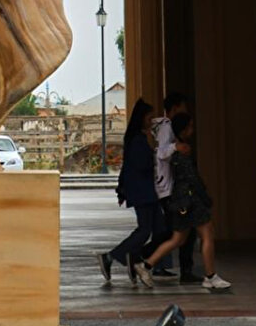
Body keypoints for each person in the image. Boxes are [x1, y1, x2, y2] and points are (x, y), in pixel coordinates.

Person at [136, 113, 232, 290]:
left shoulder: (174, 149)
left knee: (178, 239)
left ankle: (146, 265)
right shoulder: (182, 150)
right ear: (183, 130)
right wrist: (204, 196)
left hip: (179, 200)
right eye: (190, 127)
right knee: (208, 234)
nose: (192, 130)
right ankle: (211, 276)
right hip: (190, 199)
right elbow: (191, 177)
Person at [96, 98, 161, 288]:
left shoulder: (138, 138)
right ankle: (114, 256)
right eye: (149, 117)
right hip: (143, 191)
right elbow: (140, 165)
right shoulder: (137, 140)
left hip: (145, 190)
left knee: (159, 230)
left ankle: (134, 258)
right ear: (142, 118)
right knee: (145, 230)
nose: (151, 121)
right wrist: (156, 155)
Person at [143, 92, 200, 281]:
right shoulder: (167, 128)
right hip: (168, 188)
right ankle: (142, 257)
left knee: (179, 232)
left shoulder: (165, 127)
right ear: (175, 108)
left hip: (168, 187)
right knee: (176, 232)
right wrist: (177, 148)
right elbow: (161, 153)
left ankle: (147, 259)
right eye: (183, 107)